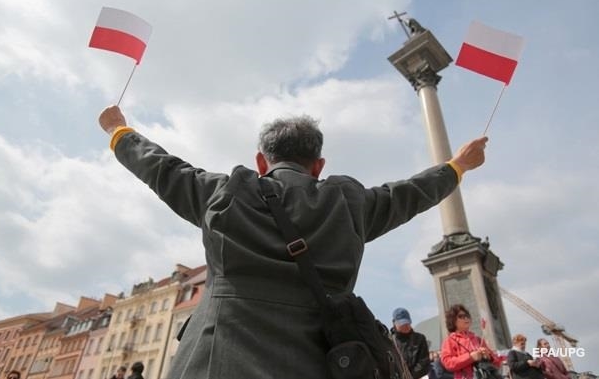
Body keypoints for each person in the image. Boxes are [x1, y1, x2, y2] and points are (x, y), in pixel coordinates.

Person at [99, 105, 488, 379]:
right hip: (320, 363)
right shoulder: (349, 204)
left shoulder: (224, 194)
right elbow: (413, 192)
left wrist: (119, 130)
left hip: (215, 362)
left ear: (260, 161)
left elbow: (161, 168)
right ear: (319, 165)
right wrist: (459, 164)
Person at [440, 304, 501, 379]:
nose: (466, 318)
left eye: (467, 316)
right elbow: (448, 363)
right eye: (461, 316)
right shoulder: (449, 341)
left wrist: (489, 357)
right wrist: (470, 357)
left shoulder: (478, 339)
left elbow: (497, 363)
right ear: (453, 320)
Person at [391, 307, 430, 379]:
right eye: (402, 324)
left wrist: (410, 376)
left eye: (407, 323)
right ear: (394, 323)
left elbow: (424, 361)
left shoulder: (420, 338)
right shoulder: (390, 342)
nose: (405, 326)